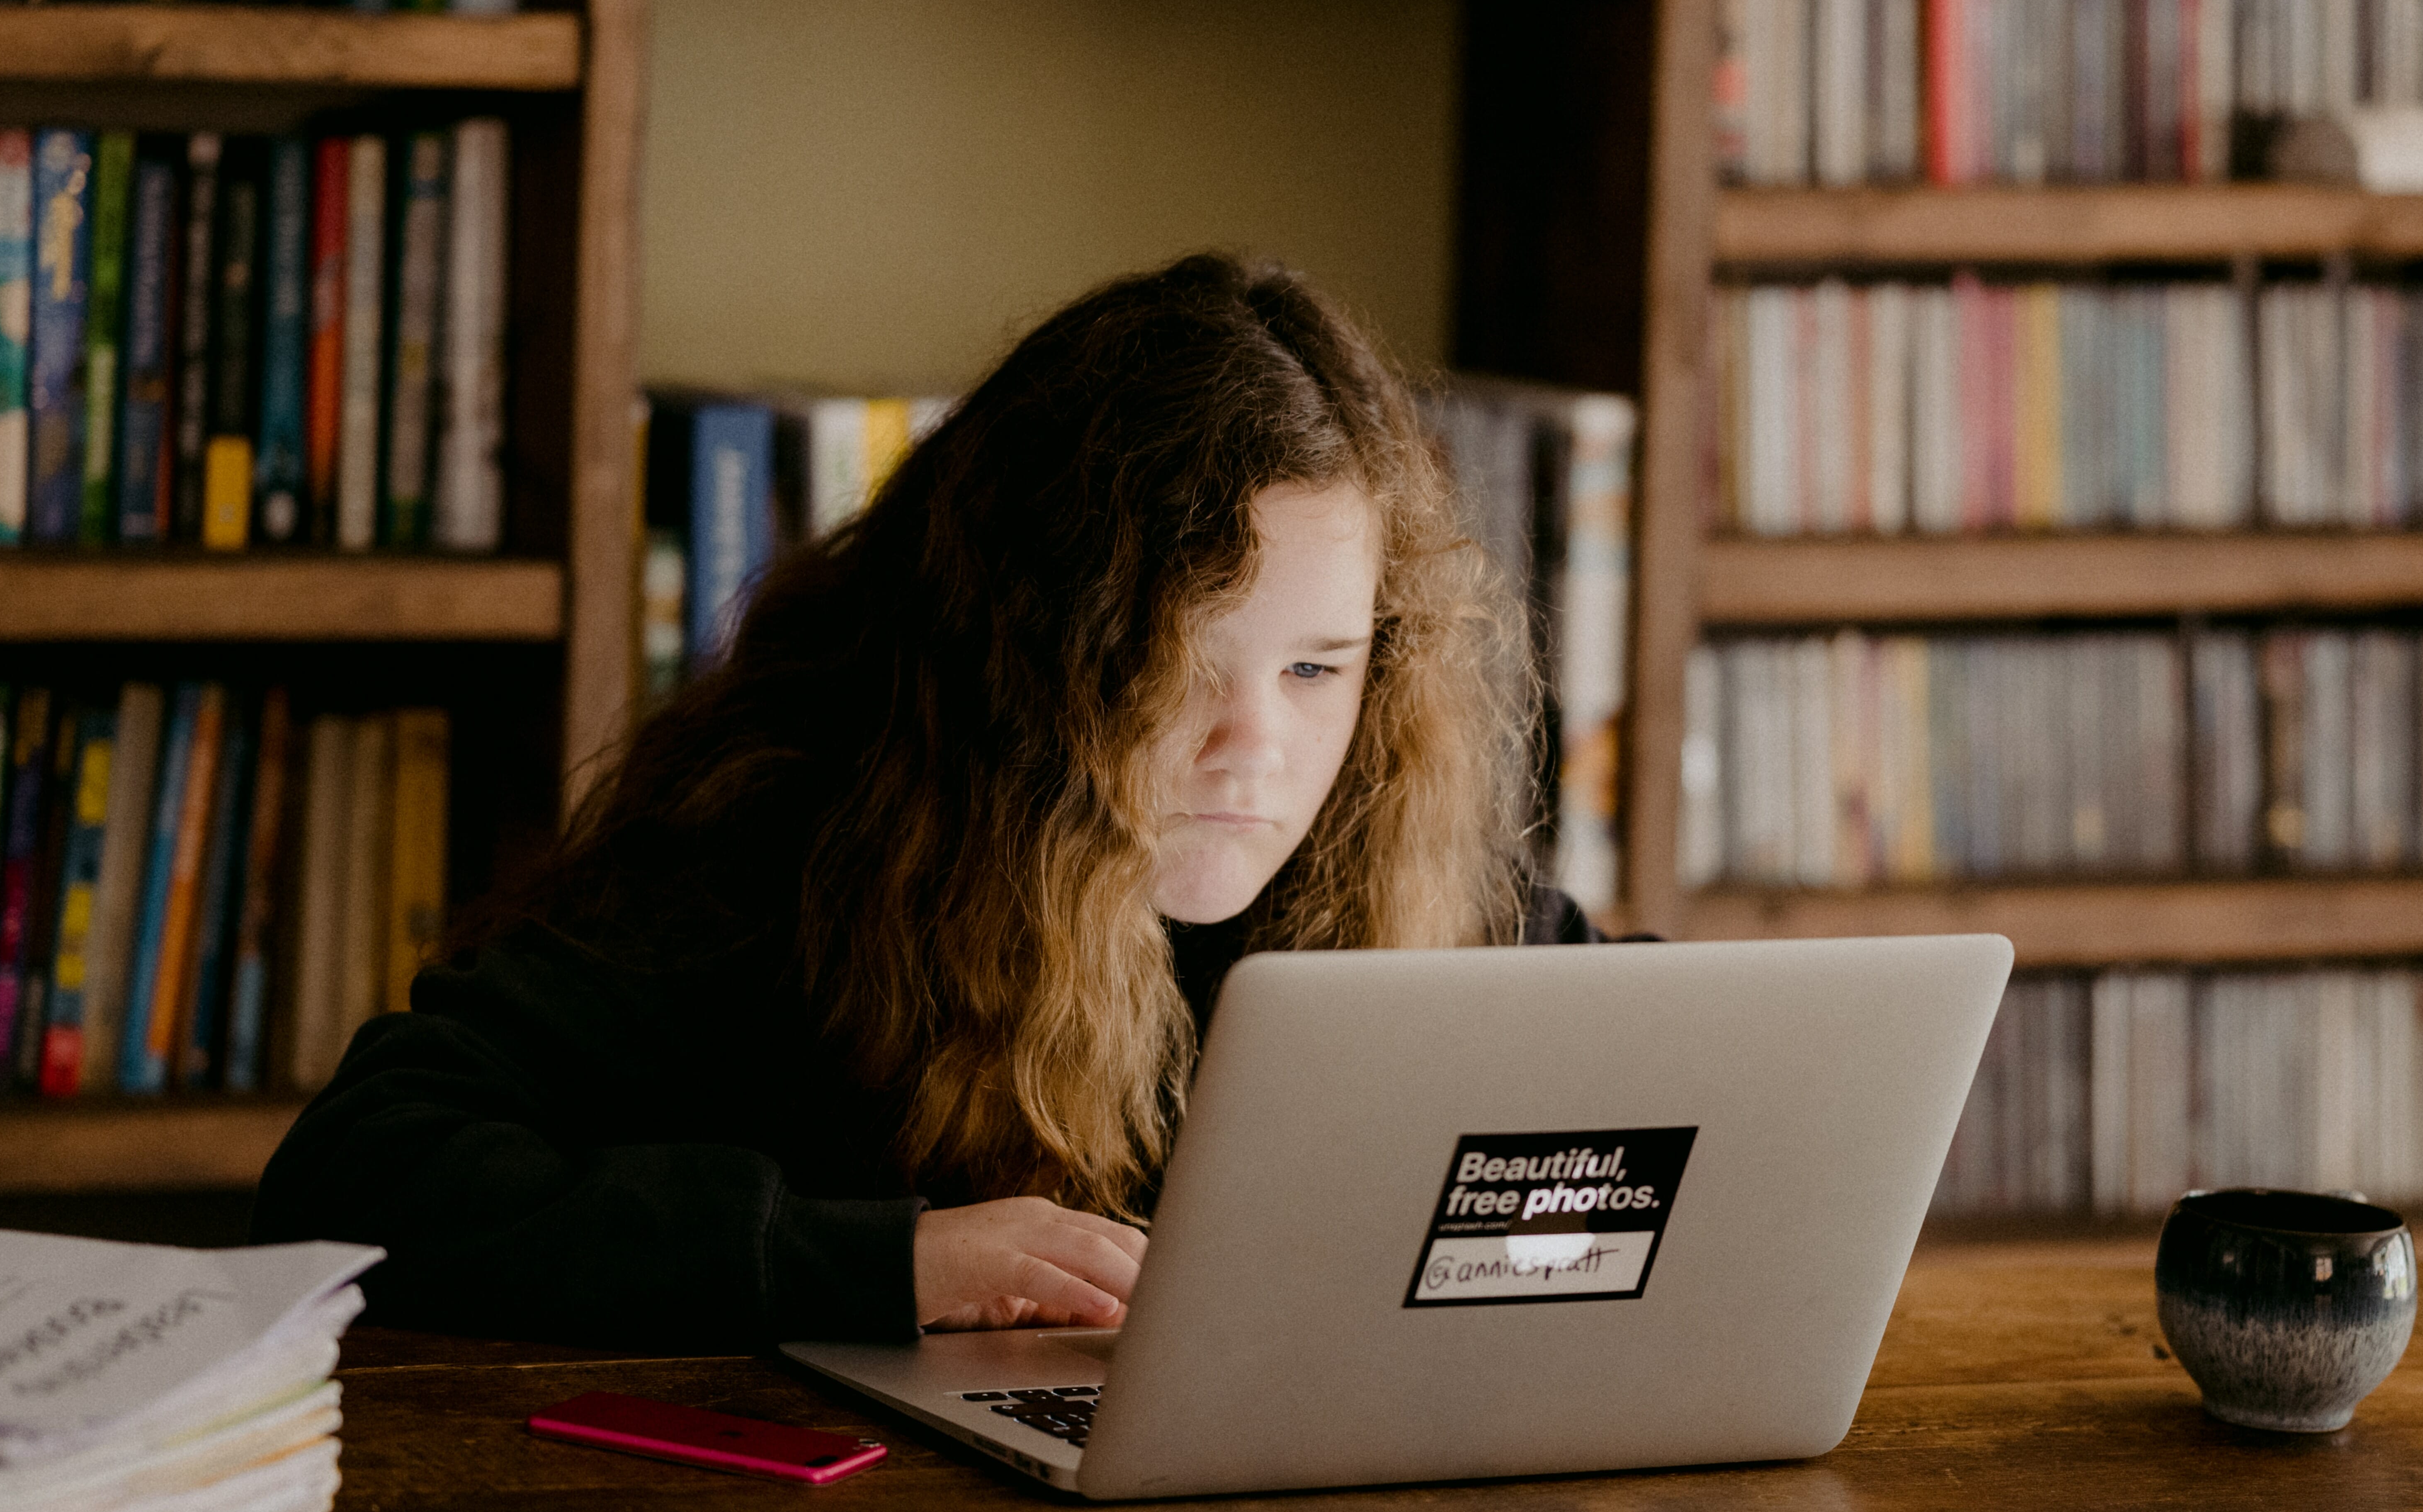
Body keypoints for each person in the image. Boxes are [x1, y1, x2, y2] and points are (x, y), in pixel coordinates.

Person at [252, 252, 1610, 1350]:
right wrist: (877, 1263)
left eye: (1318, 667)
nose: (1251, 749)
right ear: (1028, 659)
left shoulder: (1396, 861)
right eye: (1176, 664)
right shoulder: (784, 845)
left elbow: (1687, 1075)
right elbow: (359, 1175)